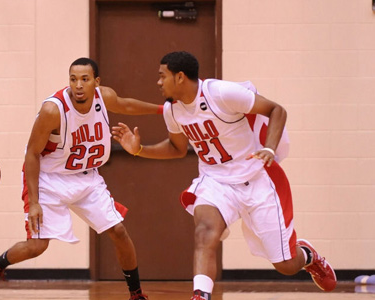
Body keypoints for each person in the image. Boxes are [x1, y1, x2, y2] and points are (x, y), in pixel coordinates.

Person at [111, 51, 337, 300]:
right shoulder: (172, 111)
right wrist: (139, 150)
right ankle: (200, 296)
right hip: (216, 181)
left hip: (256, 178)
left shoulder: (221, 93)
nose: (158, 82)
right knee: (204, 231)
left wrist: (269, 148)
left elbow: (276, 110)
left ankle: (307, 255)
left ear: (180, 77)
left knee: (285, 264)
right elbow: (177, 149)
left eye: (162, 76)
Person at [0, 58, 161, 300]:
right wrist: (34, 202)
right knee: (37, 246)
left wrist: (163, 109)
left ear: (97, 82)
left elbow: (126, 105)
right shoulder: (54, 110)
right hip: (49, 179)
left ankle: (136, 295)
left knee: (119, 231)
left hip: (86, 178)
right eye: (73, 79)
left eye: (84, 79)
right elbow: (31, 154)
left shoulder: (104, 97)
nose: (78, 85)